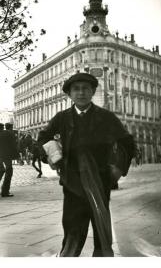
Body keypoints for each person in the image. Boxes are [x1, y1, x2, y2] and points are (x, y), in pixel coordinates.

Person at [38, 72, 135, 257]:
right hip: (72, 181)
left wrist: (117, 169)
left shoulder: (106, 117)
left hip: (100, 180)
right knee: (72, 228)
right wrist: (53, 155)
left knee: (101, 229)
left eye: (85, 89)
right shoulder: (61, 118)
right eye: (76, 89)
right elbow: (43, 138)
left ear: (92, 92)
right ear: (70, 94)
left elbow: (126, 142)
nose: (81, 93)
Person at [0, 122, 18, 197]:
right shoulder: (10, 134)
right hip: (7, 155)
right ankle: (5, 191)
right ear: (11, 127)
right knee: (9, 172)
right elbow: (13, 145)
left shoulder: (0, 134)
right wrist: (17, 156)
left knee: (2, 170)